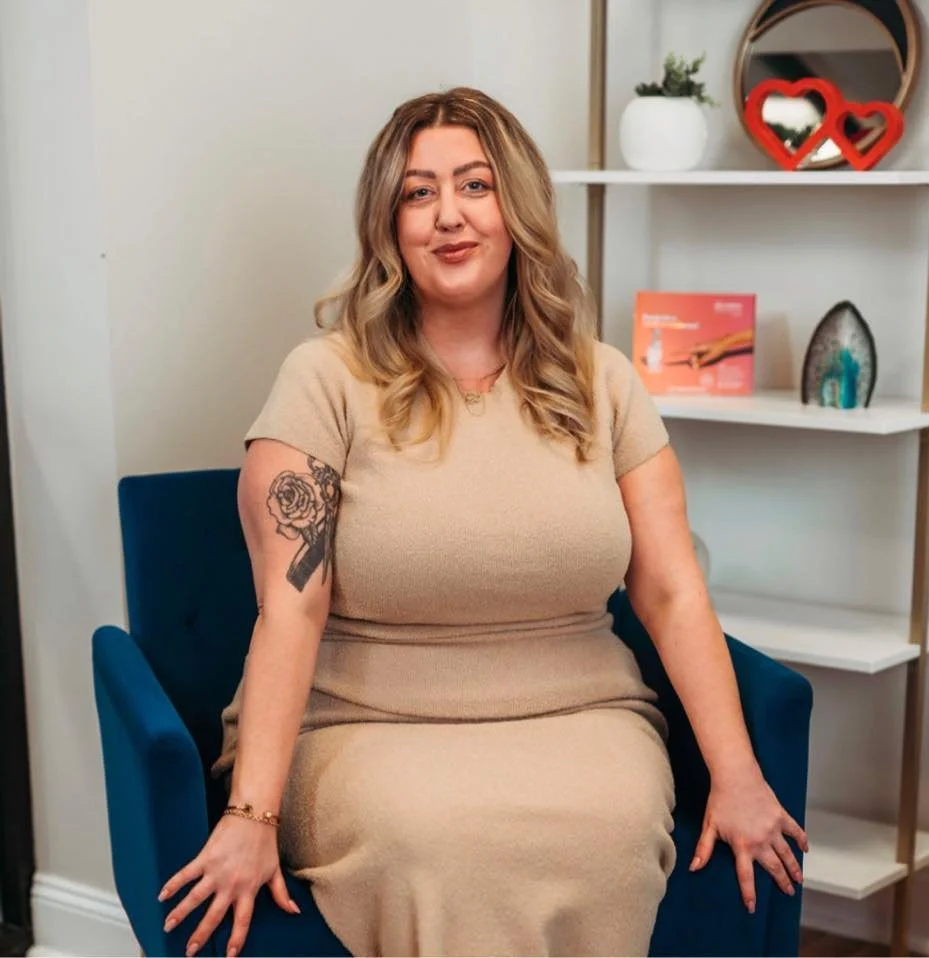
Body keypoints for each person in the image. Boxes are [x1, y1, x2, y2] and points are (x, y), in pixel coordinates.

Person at [157, 86, 808, 958]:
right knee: (436, 841)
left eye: (475, 185)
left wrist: (739, 775)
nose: (448, 217)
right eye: (418, 194)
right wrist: (249, 813)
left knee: (605, 835)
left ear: (519, 209)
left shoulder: (603, 380)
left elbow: (670, 588)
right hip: (362, 722)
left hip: (583, 714)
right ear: (389, 226)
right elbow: (291, 606)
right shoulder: (324, 381)